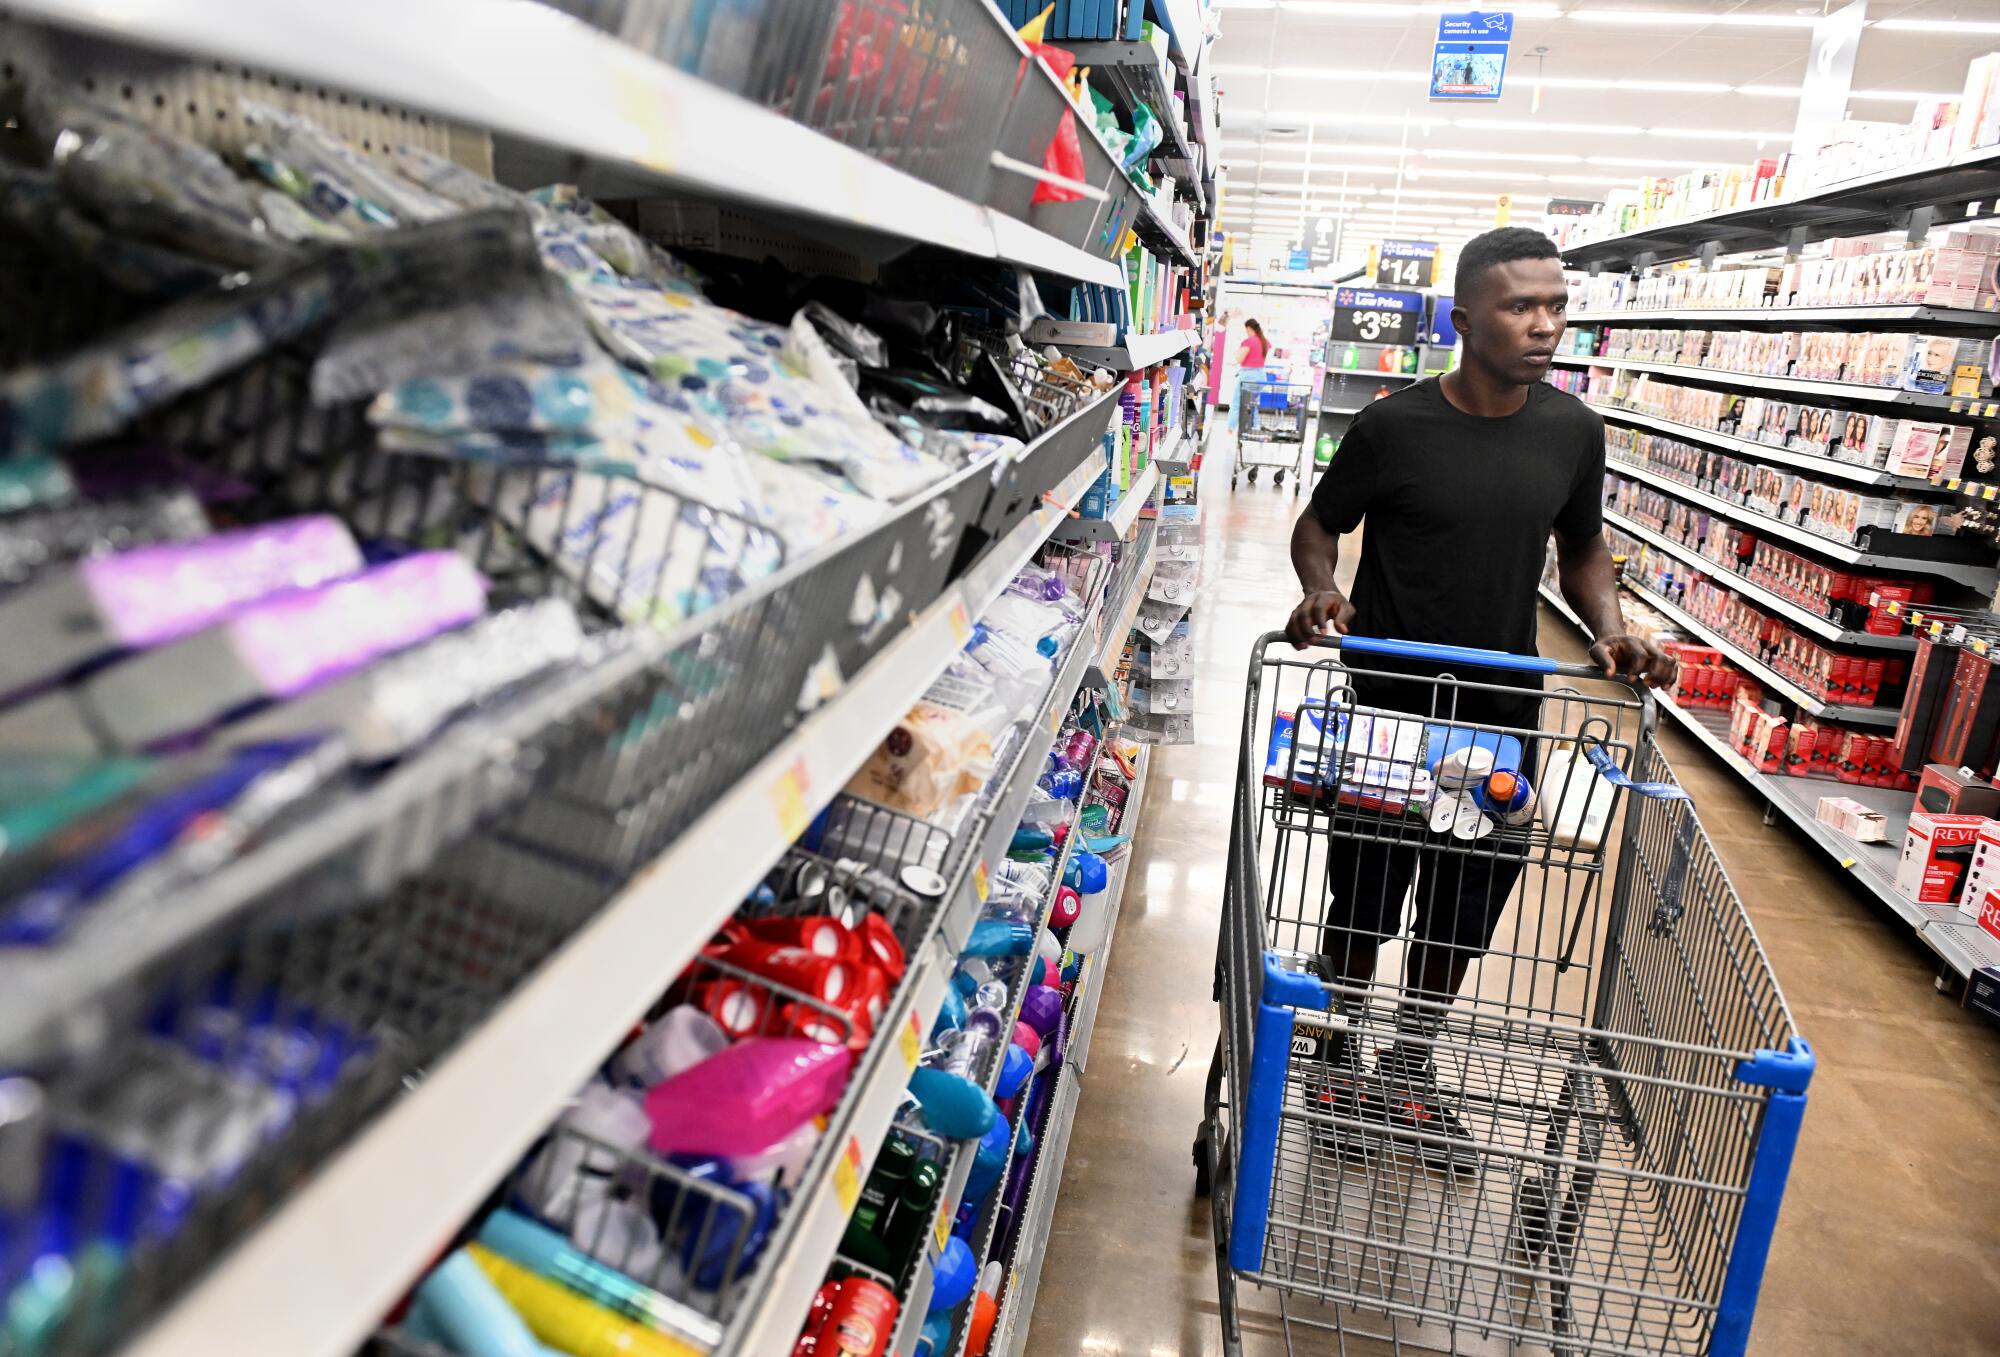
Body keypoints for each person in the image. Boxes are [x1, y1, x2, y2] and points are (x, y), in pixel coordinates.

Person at [1283, 226, 1676, 1169]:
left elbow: (1581, 550)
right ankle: (1338, 1042)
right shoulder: (1394, 426)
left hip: (1501, 708)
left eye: (1556, 307)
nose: (1545, 327)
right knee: (1367, 889)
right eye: (1520, 307)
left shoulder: (1575, 432)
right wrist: (1320, 589)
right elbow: (1319, 524)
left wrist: (1609, 627)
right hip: (1386, 705)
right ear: (1464, 319)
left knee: (1467, 902)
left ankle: (1411, 1063)